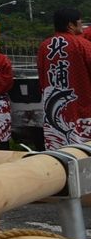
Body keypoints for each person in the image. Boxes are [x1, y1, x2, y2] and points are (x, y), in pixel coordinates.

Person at [39, 8, 91, 150]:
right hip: (82, 108)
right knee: (83, 154)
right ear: (71, 25)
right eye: (80, 21)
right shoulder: (83, 45)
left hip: (53, 111)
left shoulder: (44, 46)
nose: (82, 24)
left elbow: (42, 75)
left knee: (59, 154)